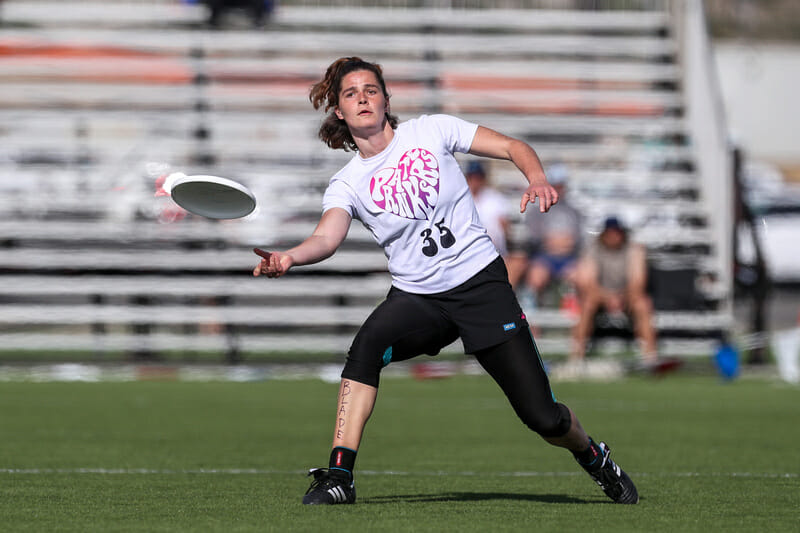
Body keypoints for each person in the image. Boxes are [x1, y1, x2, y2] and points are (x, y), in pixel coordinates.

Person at [252, 57, 638, 506]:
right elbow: (327, 237)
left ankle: (595, 457)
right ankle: (338, 476)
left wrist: (537, 179)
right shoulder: (348, 182)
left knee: (543, 418)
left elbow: (514, 146)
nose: (363, 98)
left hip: (481, 286)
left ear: (386, 99)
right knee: (366, 347)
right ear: (338, 110)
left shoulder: (431, 130)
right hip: (419, 298)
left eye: (371, 90)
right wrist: (289, 257)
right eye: (351, 93)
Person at [571, 216, 658, 364]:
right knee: (586, 305)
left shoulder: (635, 249)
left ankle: (650, 357)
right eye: (610, 233)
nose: (614, 237)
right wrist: (608, 298)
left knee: (643, 305)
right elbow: (588, 283)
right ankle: (576, 356)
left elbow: (638, 282)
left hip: (628, 295)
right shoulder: (592, 249)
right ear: (604, 234)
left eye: (617, 233)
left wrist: (621, 297)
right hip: (600, 294)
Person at [509, 162, 582, 310]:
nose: (559, 189)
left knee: (582, 276)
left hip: (569, 259)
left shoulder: (574, 211)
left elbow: (578, 239)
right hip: (544, 258)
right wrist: (560, 241)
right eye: (556, 185)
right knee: (536, 277)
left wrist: (557, 241)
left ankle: (574, 324)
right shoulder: (536, 211)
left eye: (561, 185)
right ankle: (533, 322)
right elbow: (537, 239)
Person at [464, 160, 511, 259]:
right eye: (471, 177)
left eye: (478, 178)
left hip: (494, 250)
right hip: (469, 251)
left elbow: (504, 225)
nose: (475, 181)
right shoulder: (461, 200)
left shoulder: (495, 198)